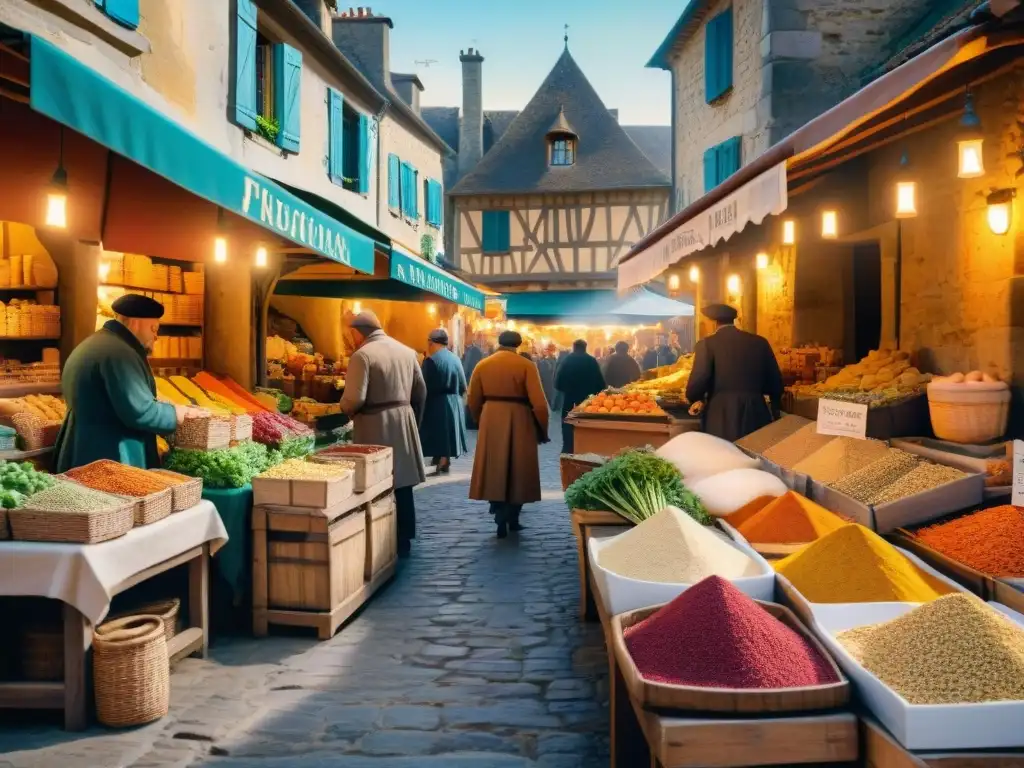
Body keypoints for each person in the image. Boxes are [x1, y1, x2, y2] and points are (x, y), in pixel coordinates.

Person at [55, 295, 205, 471]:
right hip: (108, 456)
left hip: (83, 447)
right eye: (153, 328)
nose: (156, 336)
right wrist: (177, 413)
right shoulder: (119, 354)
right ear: (135, 323)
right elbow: (140, 411)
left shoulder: (96, 343)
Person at [340, 310, 427, 557]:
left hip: (375, 424)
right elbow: (421, 392)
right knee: (403, 483)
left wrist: (343, 408)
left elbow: (354, 399)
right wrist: (413, 422)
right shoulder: (407, 351)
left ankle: (381, 539)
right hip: (403, 418)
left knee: (378, 483)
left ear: (357, 332)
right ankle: (405, 536)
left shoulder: (362, 355)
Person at [468, 330, 550, 538]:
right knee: (518, 468)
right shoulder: (526, 365)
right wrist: (542, 428)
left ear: (499, 342)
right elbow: (539, 403)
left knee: (494, 466)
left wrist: (482, 419)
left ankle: (497, 509)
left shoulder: (483, 365)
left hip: (491, 415)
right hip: (519, 416)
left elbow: (472, 398)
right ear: (519, 344)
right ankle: (512, 517)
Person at [685, 303, 784, 442]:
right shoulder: (760, 342)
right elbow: (775, 383)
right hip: (756, 411)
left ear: (714, 323)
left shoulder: (707, 344)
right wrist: (774, 406)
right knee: (752, 456)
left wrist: (694, 397)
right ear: (734, 320)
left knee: (723, 456)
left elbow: (700, 378)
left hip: (721, 413)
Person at [419, 329, 467, 474]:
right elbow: (463, 384)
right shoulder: (456, 359)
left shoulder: (430, 360)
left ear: (432, 343)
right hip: (454, 400)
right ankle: (443, 457)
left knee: (437, 430)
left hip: (436, 401)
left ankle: (441, 459)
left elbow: (423, 384)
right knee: (448, 431)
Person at [554, 339, 605, 453]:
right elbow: (600, 382)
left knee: (567, 419)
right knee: (586, 420)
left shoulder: (567, 360)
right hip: (587, 398)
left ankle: (568, 446)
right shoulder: (591, 361)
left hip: (570, 396)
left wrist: (565, 389)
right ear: (585, 347)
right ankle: (585, 444)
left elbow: (558, 380)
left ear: (574, 347)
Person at [462, 334, 486, 431]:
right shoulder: (473, 351)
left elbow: (469, 368)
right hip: (471, 380)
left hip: (471, 381)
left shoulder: (474, 351)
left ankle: (471, 422)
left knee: (471, 401)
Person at [537, 343, 558, 408]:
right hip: (548, 385)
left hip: (552, 386)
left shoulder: (555, 361)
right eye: (549, 350)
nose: (550, 352)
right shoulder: (543, 362)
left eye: (551, 350)